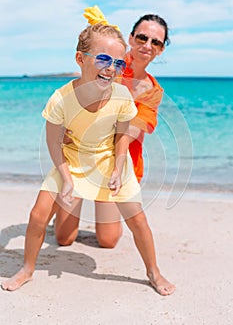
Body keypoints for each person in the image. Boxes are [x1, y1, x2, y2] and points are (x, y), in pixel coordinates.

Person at [1, 21, 175, 295]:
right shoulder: (62, 97)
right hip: (71, 159)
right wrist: (67, 178)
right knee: (41, 218)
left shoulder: (126, 94)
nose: (111, 67)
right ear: (80, 59)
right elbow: (52, 140)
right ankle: (27, 269)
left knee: (133, 222)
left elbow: (121, 137)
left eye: (117, 63)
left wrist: (118, 168)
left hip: (109, 161)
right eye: (103, 59)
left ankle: (154, 271)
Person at [55, 6, 170, 249]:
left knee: (108, 241)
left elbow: (132, 131)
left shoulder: (153, 92)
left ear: (160, 50)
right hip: (81, 157)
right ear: (130, 38)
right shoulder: (113, 63)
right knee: (64, 239)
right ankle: (62, 199)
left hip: (114, 165)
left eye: (156, 42)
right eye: (142, 37)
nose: (147, 45)